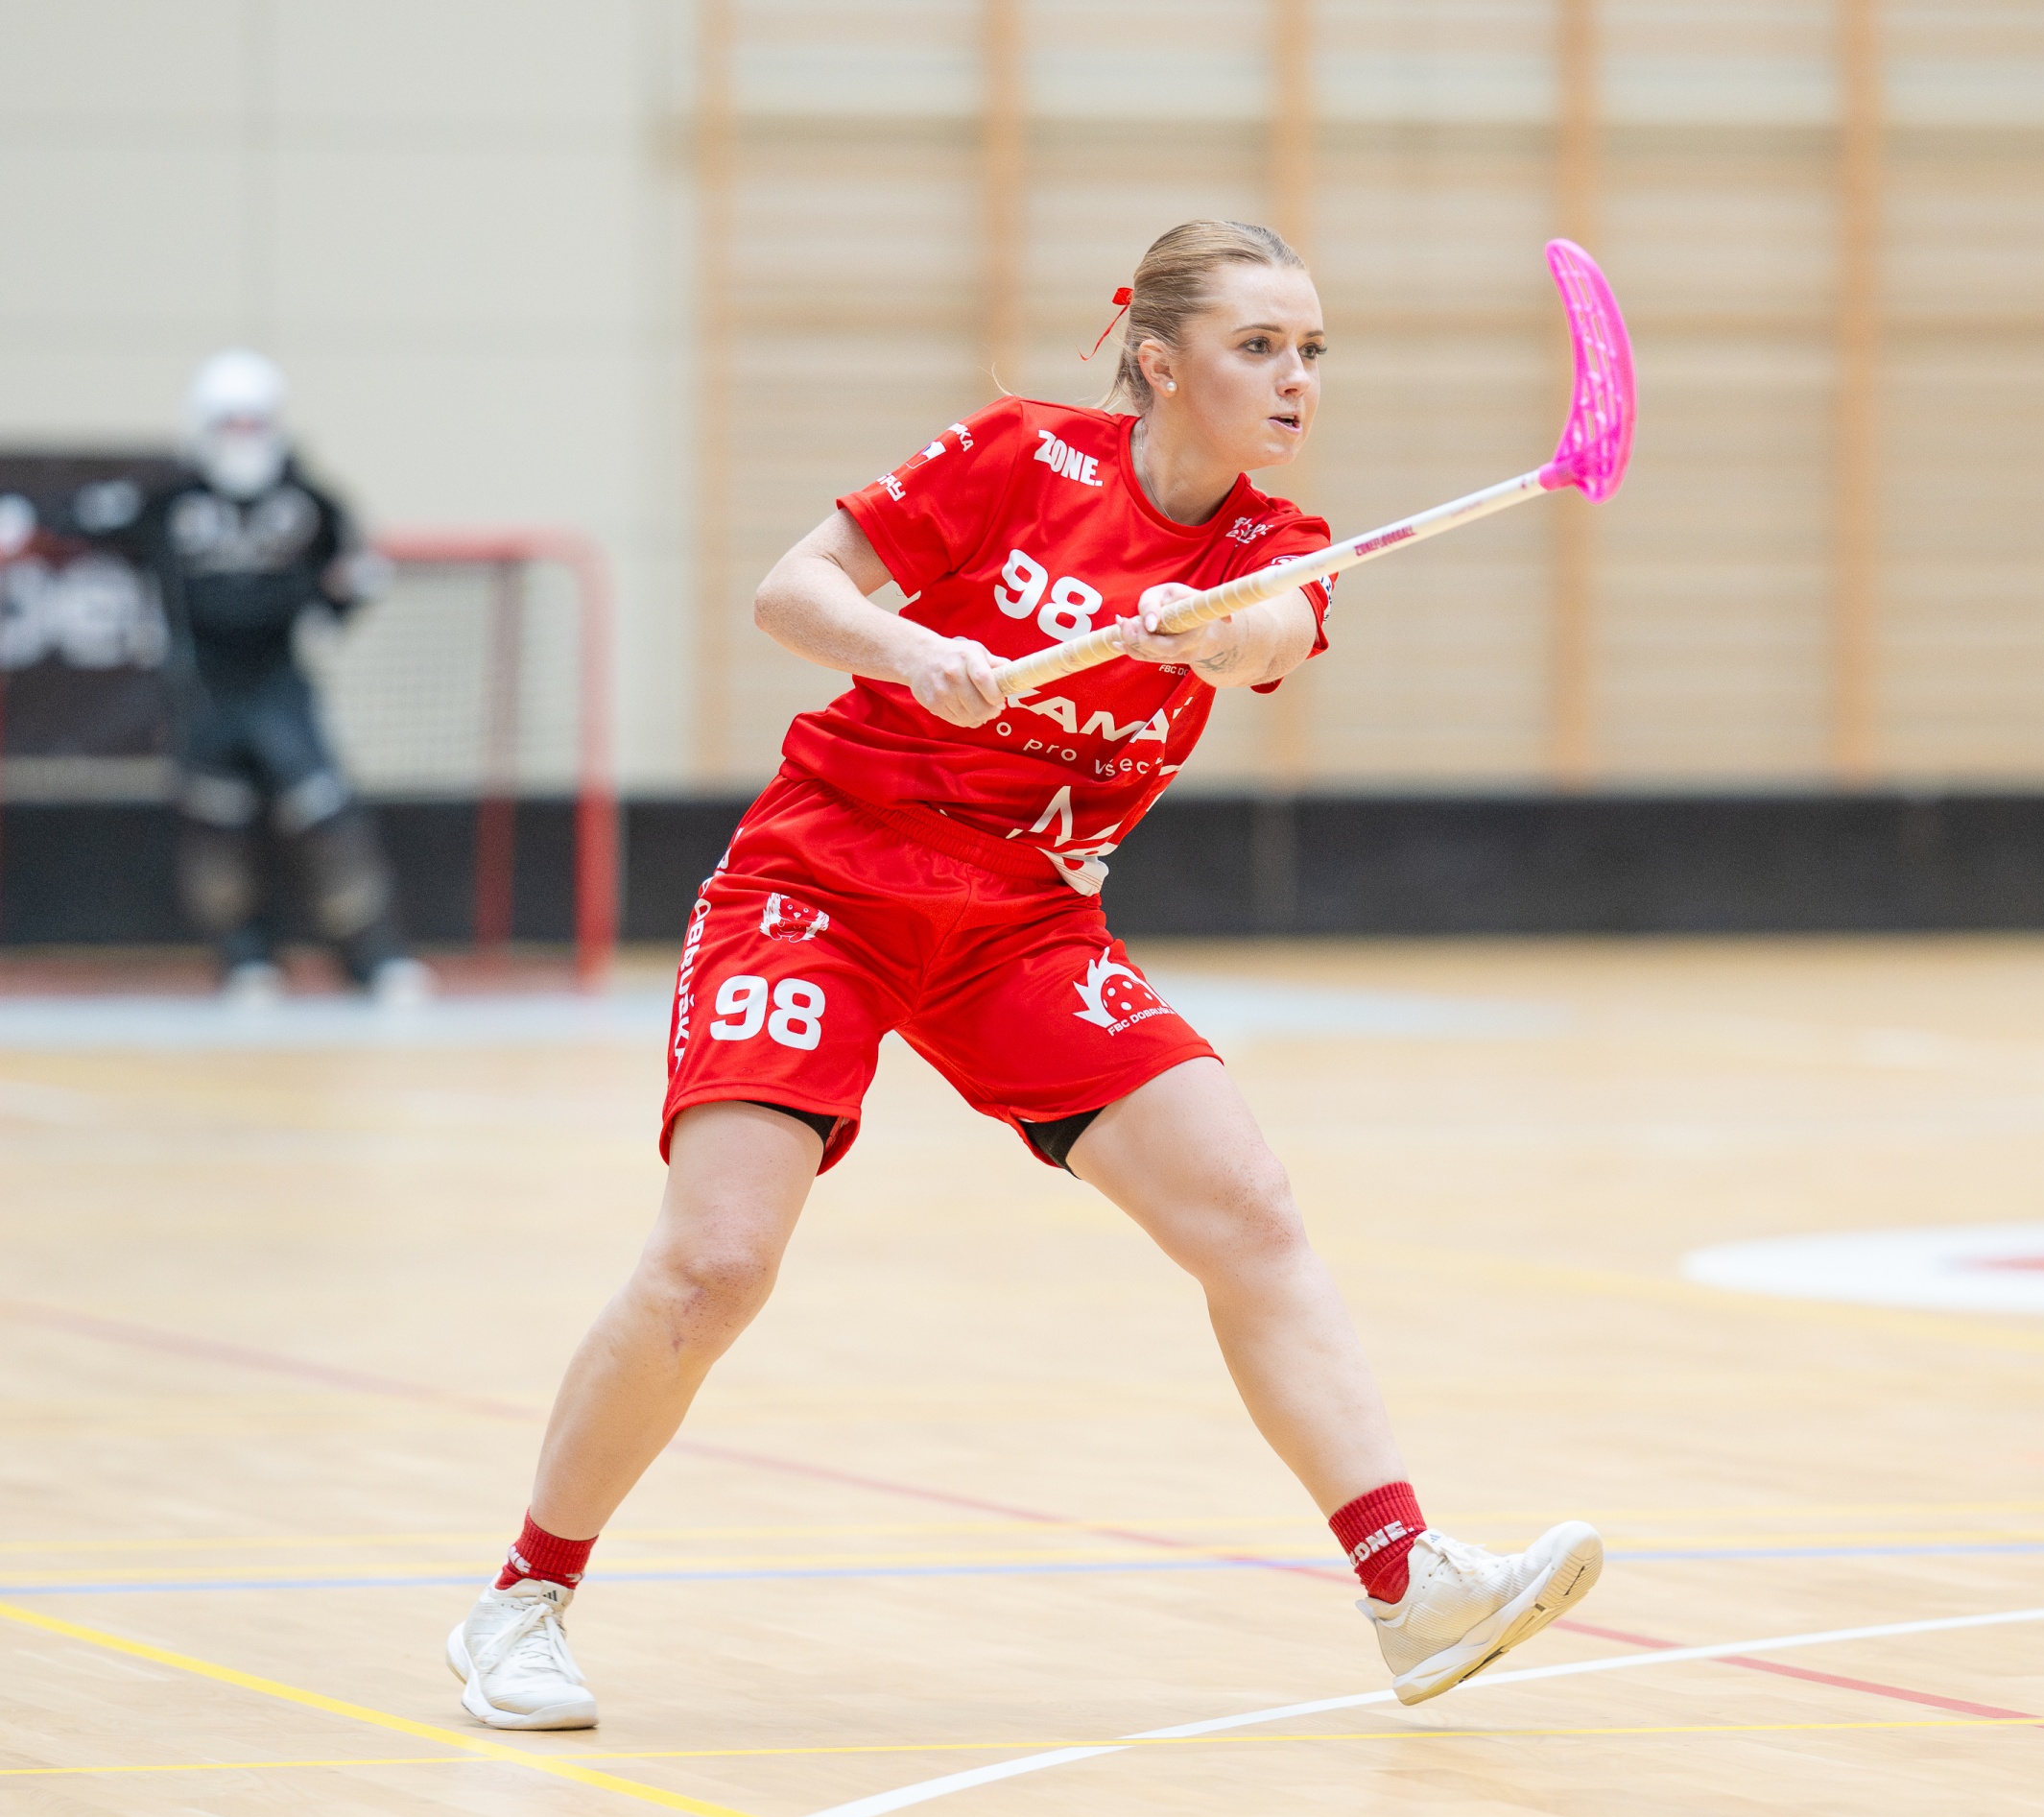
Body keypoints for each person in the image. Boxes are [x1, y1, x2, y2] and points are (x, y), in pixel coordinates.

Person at [444, 220, 1603, 1732]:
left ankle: (1409, 1584)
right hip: (822, 887)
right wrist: (907, 653)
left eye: (1313, 350)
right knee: (718, 1263)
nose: (1297, 378)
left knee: (1248, 1212)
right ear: (1159, 362)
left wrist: (1200, 640)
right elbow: (793, 593)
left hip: (1023, 925)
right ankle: (520, 1603)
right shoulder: (1018, 457)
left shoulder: (1270, 544)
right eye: (1260, 346)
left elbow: (1272, 635)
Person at [76, 350, 428, 1004]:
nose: (243, 438)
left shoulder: (306, 502)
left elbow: (346, 572)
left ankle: (374, 958)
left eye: (254, 423)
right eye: (229, 423)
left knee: (328, 821)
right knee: (217, 831)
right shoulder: (172, 503)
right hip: (203, 690)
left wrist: (346, 598)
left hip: (279, 685)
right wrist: (25, 520)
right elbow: (92, 522)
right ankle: (244, 959)